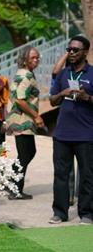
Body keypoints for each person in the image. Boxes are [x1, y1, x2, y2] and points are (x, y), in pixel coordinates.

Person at [48, 35, 93, 225]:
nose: (71, 53)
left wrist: (87, 98)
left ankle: (87, 213)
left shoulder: (92, 73)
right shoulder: (64, 73)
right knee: (60, 175)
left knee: (88, 176)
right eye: (69, 50)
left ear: (85, 52)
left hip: (86, 134)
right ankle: (60, 212)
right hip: (62, 134)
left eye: (75, 50)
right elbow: (52, 100)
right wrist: (62, 93)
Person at [6, 46, 44, 200]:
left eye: (37, 57)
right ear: (24, 59)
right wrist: (37, 116)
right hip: (23, 120)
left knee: (28, 152)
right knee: (25, 153)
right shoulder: (26, 75)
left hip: (21, 119)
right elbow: (20, 100)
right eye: (32, 57)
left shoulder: (22, 73)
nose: (36, 60)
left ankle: (11, 180)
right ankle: (15, 188)